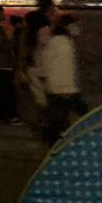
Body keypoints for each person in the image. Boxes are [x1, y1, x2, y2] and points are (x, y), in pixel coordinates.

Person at [41, 15, 86, 145]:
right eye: (74, 25)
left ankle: (56, 143)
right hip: (63, 88)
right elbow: (60, 66)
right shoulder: (61, 43)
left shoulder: (58, 41)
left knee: (59, 119)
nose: (77, 28)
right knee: (80, 115)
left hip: (60, 87)